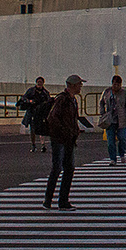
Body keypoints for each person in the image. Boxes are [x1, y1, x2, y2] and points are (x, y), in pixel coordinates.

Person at [44, 74, 83, 209]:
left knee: (67, 169)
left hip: (68, 139)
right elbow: (52, 118)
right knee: (58, 168)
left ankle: (61, 200)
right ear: (71, 85)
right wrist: (65, 131)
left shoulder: (72, 100)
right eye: (79, 84)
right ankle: (50, 200)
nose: (80, 86)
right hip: (60, 139)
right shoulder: (63, 100)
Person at [97, 76, 126, 164]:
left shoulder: (125, 94)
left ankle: (122, 154)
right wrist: (102, 112)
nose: (116, 86)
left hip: (121, 119)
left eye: (118, 84)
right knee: (110, 141)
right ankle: (113, 158)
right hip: (109, 120)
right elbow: (101, 102)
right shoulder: (107, 92)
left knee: (122, 138)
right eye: (114, 84)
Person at [17, 77, 53, 152]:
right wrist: (29, 101)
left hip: (41, 113)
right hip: (32, 112)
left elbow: (48, 101)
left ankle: (43, 145)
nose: (39, 83)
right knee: (32, 129)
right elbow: (24, 97)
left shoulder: (45, 92)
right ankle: (33, 144)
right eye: (38, 82)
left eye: (41, 82)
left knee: (42, 129)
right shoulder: (31, 91)